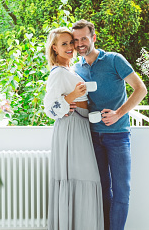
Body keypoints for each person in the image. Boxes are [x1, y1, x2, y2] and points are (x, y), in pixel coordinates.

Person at [71, 20, 147, 230]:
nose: (80, 44)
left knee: (122, 190)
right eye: (76, 40)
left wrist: (119, 113)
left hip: (118, 135)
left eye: (84, 38)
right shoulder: (77, 68)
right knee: (103, 190)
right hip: (92, 136)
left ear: (93, 38)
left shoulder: (114, 60)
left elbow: (140, 89)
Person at [43, 27, 104, 230]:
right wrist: (71, 96)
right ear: (54, 48)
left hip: (80, 126)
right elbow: (50, 109)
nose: (70, 47)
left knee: (86, 179)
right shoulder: (58, 73)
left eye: (71, 42)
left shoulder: (70, 69)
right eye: (64, 44)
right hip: (71, 129)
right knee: (81, 178)